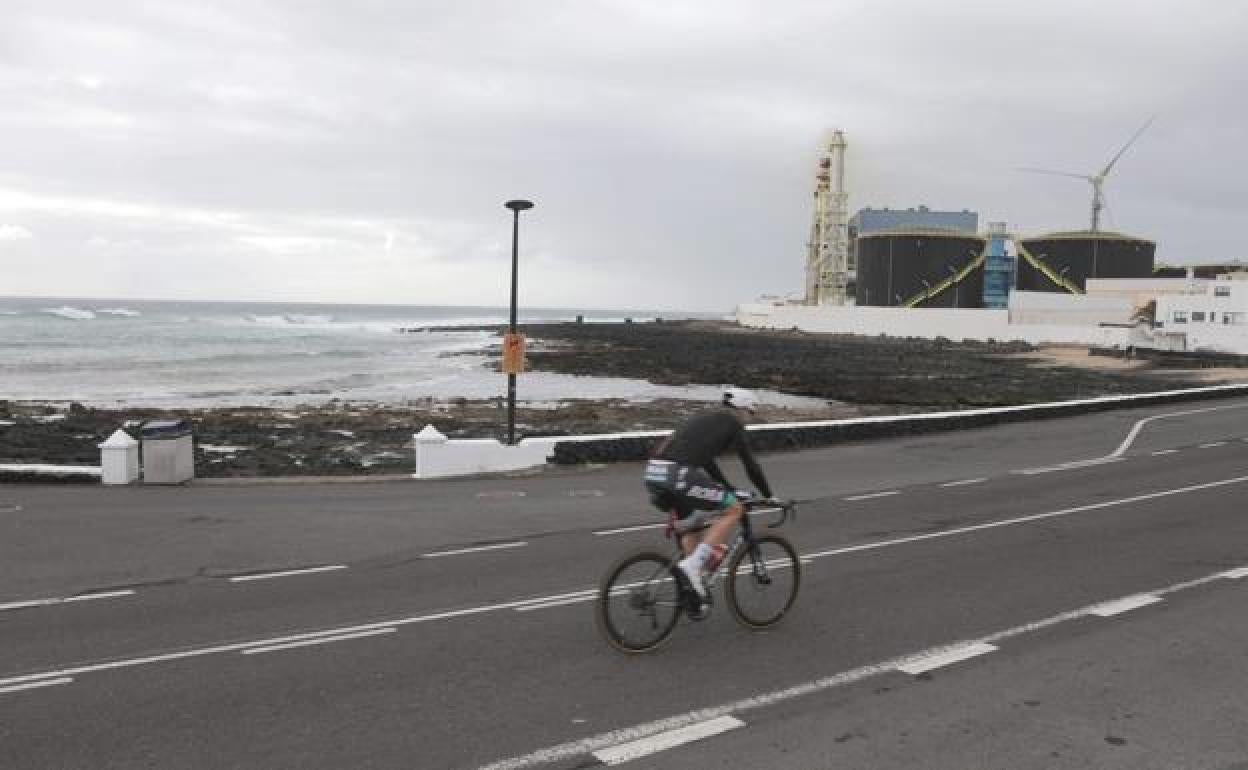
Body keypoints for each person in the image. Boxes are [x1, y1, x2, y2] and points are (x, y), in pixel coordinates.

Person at [643, 386, 774, 612]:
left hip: (654, 473)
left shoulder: (705, 417)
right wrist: (769, 495)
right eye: (751, 413)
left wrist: (727, 488)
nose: (750, 419)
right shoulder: (733, 422)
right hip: (677, 474)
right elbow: (750, 465)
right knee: (734, 509)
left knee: (692, 525)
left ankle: (693, 592)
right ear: (743, 409)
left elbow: (706, 460)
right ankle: (693, 566)